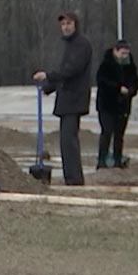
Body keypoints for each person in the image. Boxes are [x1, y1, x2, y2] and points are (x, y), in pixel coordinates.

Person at [32, 12, 94, 186]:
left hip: (75, 98)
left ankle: (74, 179)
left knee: (69, 140)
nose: (65, 27)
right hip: (66, 98)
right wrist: (48, 87)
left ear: (75, 24)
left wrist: (48, 76)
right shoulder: (69, 45)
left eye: (69, 23)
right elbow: (64, 74)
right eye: (63, 24)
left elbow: (71, 70)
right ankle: (71, 177)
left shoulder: (82, 44)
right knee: (66, 141)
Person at [95, 39, 138, 169]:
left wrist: (131, 91)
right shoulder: (106, 64)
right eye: (122, 53)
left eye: (126, 53)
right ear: (115, 51)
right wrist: (117, 88)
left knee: (119, 134)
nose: (124, 56)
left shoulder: (130, 66)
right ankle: (102, 160)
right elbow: (102, 81)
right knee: (107, 132)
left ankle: (117, 160)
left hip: (123, 106)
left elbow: (136, 82)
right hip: (107, 105)